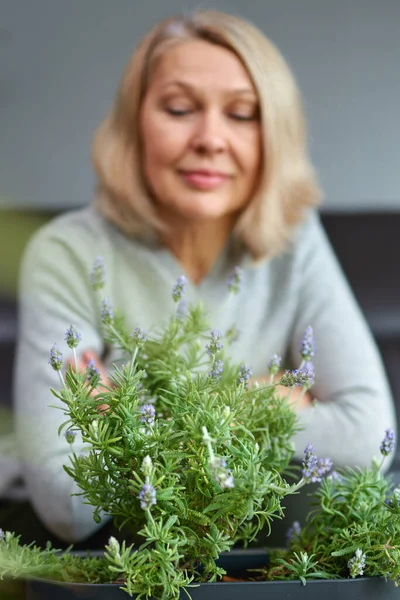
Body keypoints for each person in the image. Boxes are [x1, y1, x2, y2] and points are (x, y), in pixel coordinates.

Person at [14, 10, 395, 544]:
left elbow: (367, 441)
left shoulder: (295, 240)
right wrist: (260, 403)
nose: (210, 138)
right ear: (134, 122)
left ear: (273, 135)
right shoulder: (68, 253)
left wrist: (130, 416)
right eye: (179, 108)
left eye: (241, 114)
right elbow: (66, 501)